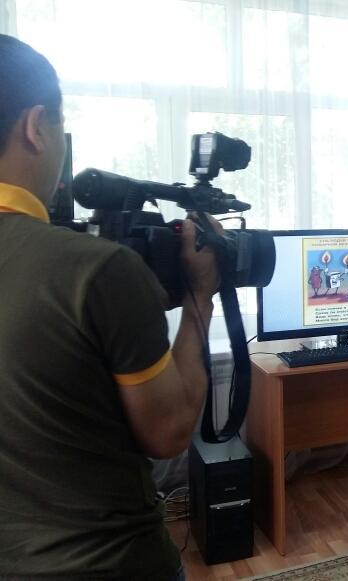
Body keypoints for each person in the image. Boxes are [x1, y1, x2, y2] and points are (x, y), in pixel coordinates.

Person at [0, 34, 220, 579]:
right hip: (110, 563)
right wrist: (200, 297)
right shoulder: (95, 270)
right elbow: (169, 431)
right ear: (35, 126)